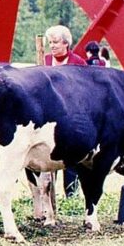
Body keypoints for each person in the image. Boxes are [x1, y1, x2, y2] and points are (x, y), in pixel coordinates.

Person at [43, 26, 85, 198]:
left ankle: (71, 194)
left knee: (71, 157)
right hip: (47, 117)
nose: (52, 46)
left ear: (66, 43)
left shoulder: (79, 63)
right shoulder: (44, 60)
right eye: (50, 42)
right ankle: (47, 195)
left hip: (71, 117)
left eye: (56, 42)